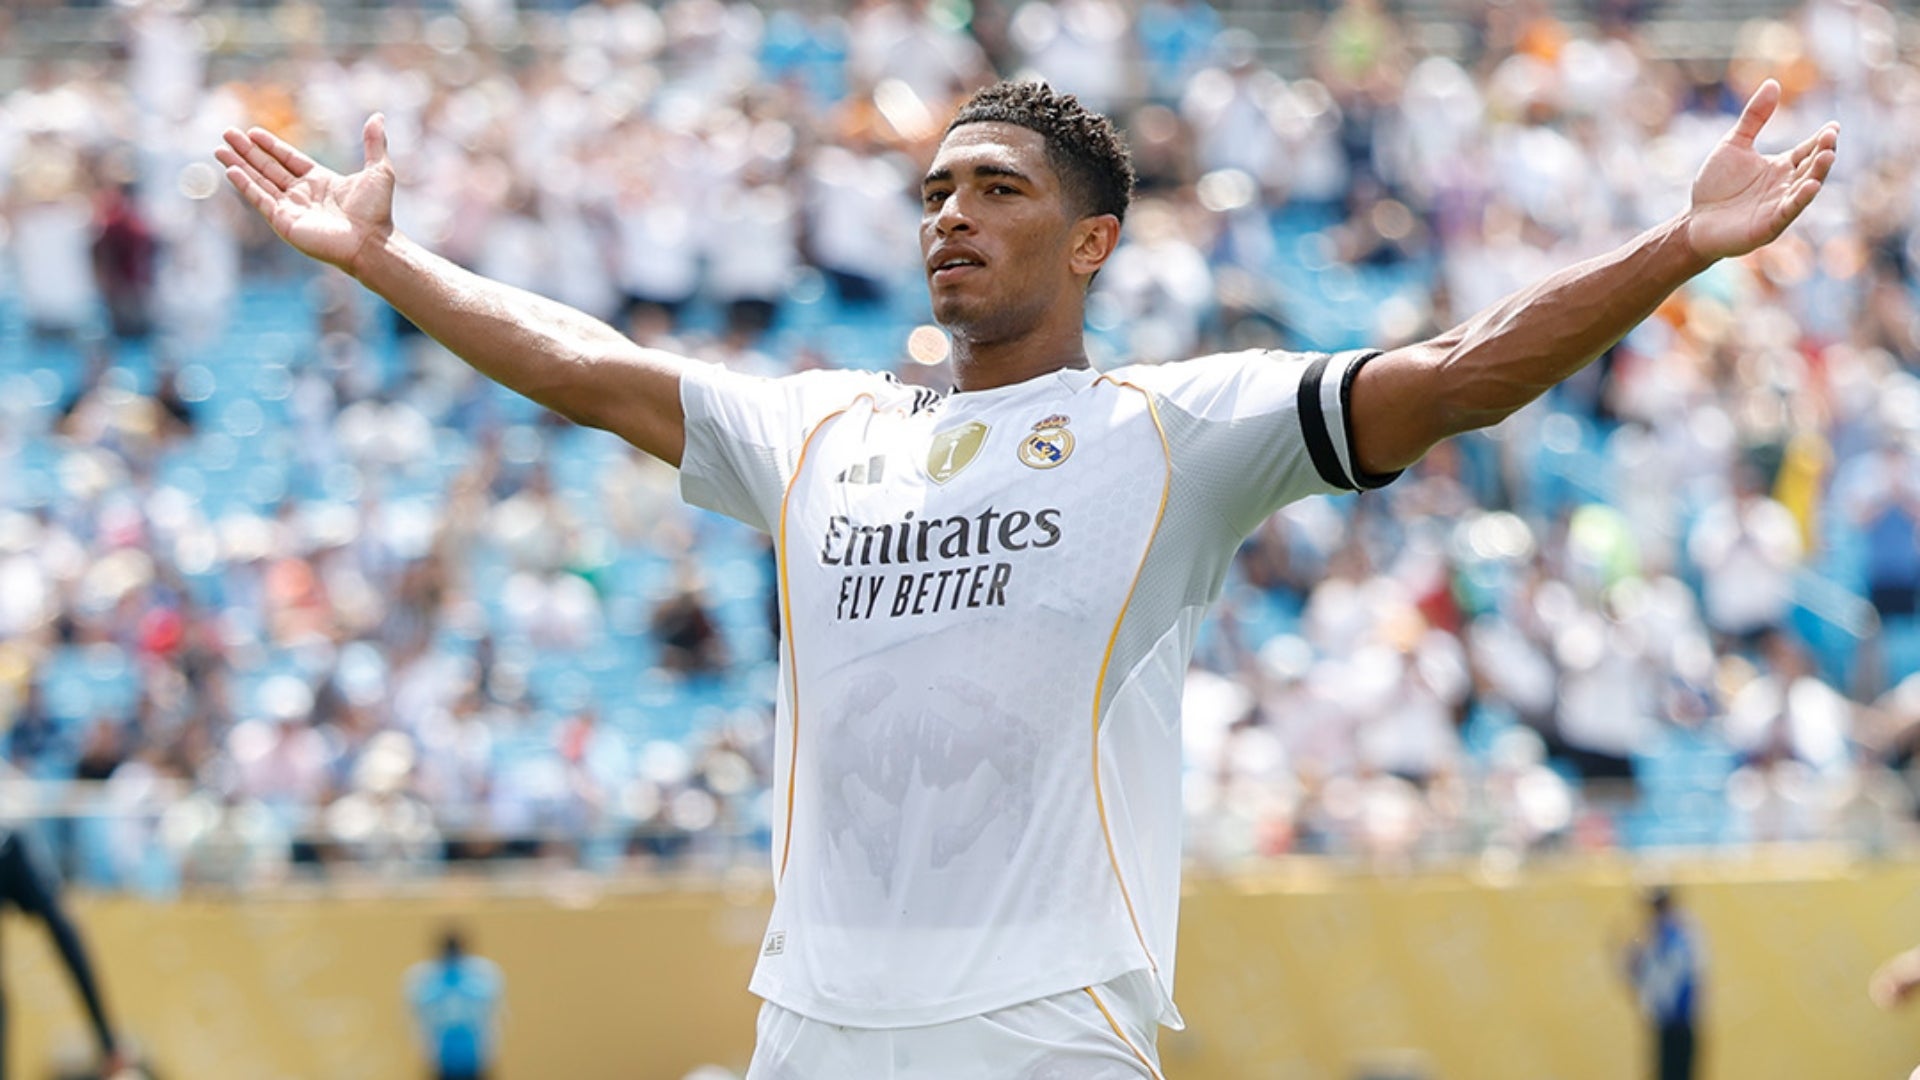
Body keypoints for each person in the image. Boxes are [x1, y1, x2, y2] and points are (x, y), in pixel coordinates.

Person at [218, 75, 1836, 1078]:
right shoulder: (818, 430)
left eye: (999, 190)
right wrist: (387, 261)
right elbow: (586, 369)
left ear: (1092, 243)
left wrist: (1677, 250)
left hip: (1048, 1028)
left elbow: (1458, 374)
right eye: (936, 191)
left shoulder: (1177, 428)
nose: (953, 216)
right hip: (812, 1029)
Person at [0, 825, 125, 1080]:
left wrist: (106, 1039)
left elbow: (64, 936)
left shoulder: (7, 847)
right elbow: (64, 935)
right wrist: (106, 1039)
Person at [1621, 886, 1703, 1080]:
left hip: (1678, 1021)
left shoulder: (1675, 933)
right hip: (1667, 1021)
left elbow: (1669, 976)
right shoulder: (1663, 933)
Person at [404, 927, 504, 1080]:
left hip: (474, 1057)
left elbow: (493, 1016)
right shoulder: (425, 978)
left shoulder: (482, 975)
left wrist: (490, 1051)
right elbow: (416, 1018)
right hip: (443, 1058)